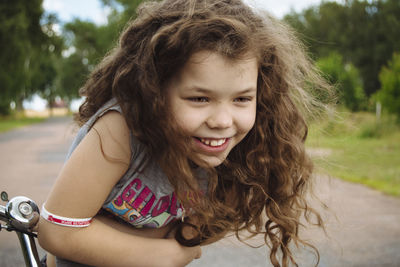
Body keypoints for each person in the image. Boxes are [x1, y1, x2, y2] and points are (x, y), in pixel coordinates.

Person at [38, 0, 330, 266]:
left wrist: (180, 242)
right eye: (199, 99)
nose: (222, 121)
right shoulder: (120, 130)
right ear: (153, 90)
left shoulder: (239, 147)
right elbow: (57, 232)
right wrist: (162, 255)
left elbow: (202, 226)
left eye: (242, 99)